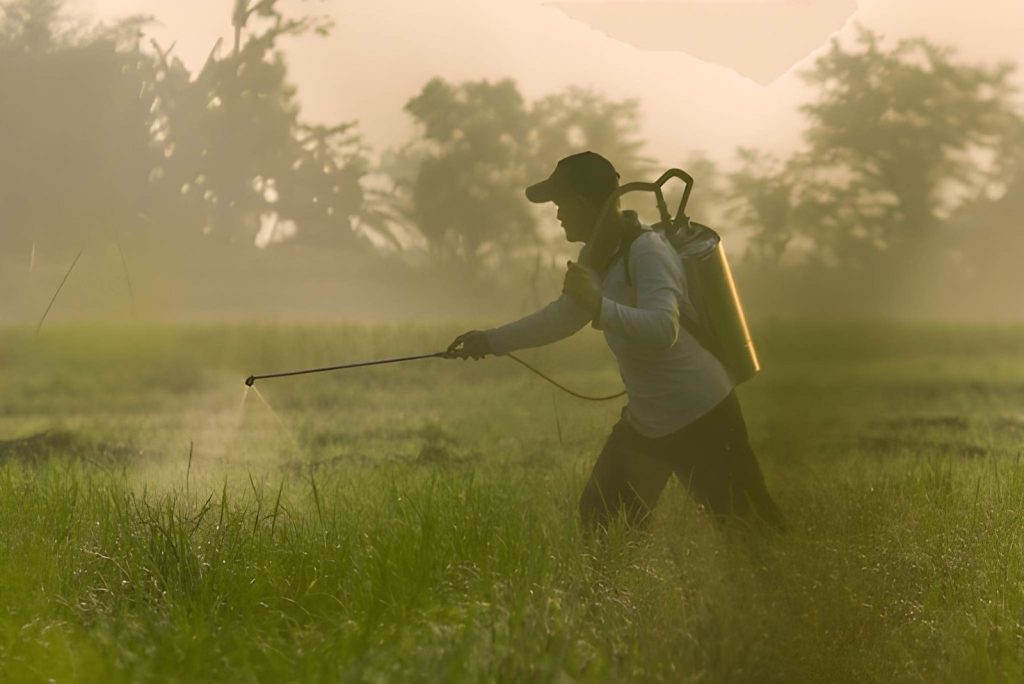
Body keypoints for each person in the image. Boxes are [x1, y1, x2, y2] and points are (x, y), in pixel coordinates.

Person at [447, 151, 783, 532]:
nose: (557, 216)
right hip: (649, 421)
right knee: (600, 517)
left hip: (701, 412)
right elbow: (563, 317)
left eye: (560, 205)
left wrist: (599, 307)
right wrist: (489, 341)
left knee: (750, 529)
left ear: (583, 203)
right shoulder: (595, 257)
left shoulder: (648, 251)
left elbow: (663, 329)